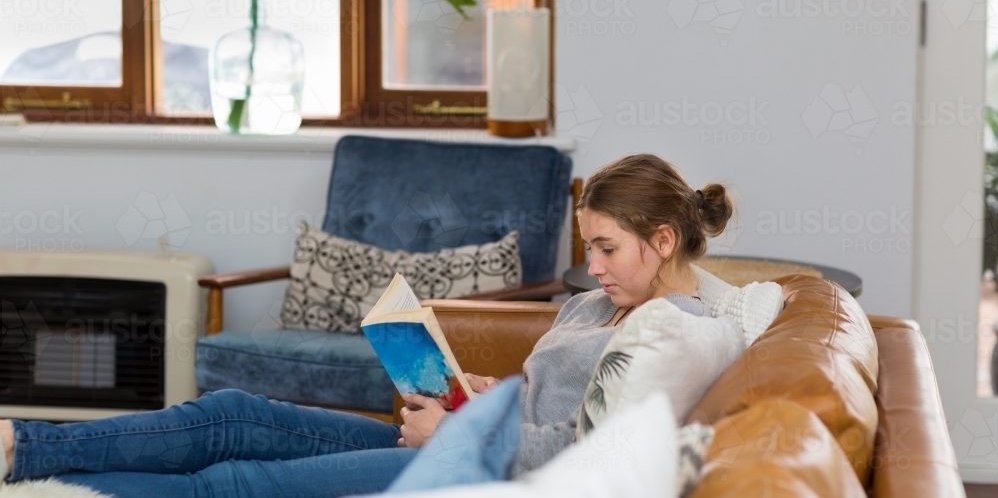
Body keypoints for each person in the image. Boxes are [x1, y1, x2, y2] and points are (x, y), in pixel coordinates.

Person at [0, 153, 734, 497]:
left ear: (663, 239)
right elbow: (549, 394)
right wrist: (475, 390)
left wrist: (458, 429)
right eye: (591, 247)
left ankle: (61, 487)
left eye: (606, 247)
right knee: (232, 413)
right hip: (465, 429)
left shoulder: (672, 333)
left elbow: (592, 448)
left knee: (235, 482)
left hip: (476, 461)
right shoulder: (601, 302)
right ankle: (24, 447)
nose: (594, 264)